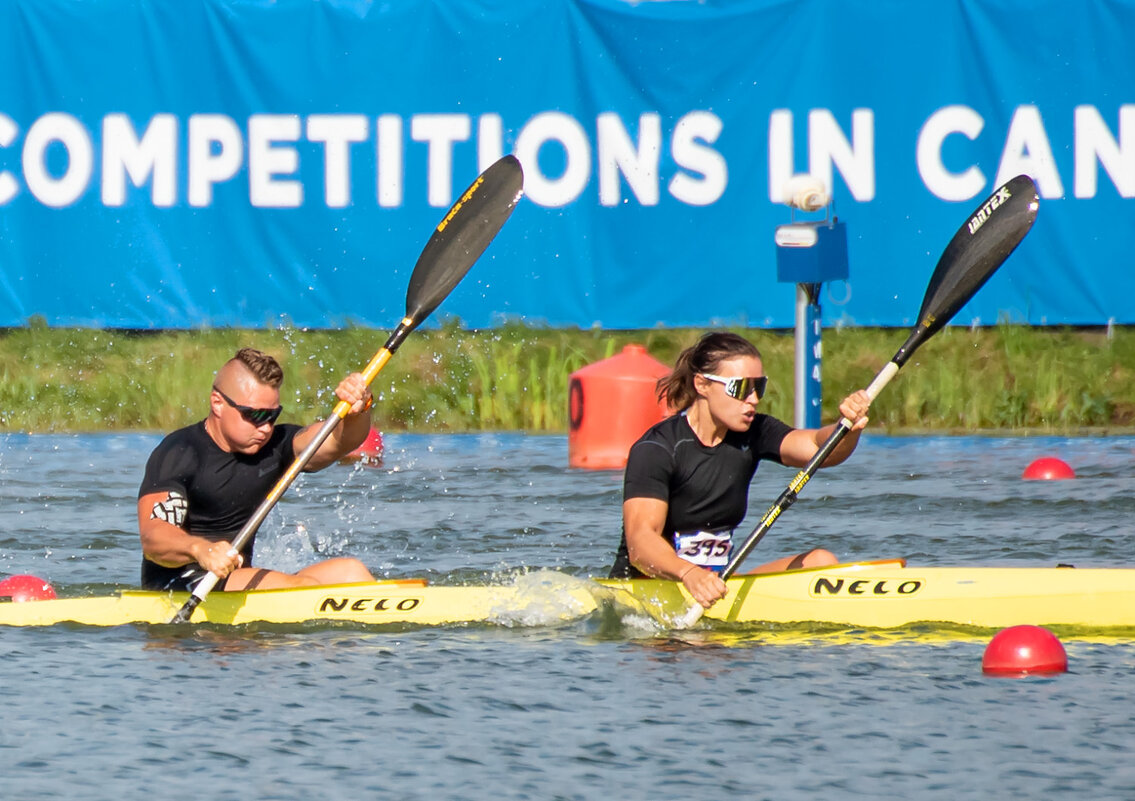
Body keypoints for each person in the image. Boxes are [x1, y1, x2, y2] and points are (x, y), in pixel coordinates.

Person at [608, 332, 872, 609]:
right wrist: (689, 573)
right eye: (741, 388)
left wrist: (847, 426)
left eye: (759, 386)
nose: (754, 399)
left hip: (715, 584)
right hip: (648, 590)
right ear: (702, 384)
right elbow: (640, 542)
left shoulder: (754, 432)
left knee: (822, 562)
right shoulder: (657, 449)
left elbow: (820, 448)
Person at [137, 347, 377, 592]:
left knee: (350, 572)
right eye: (255, 415)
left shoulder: (275, 445)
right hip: (183, 583)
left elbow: (338, 441)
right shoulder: (180, 452)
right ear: (218, 403)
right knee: (299, 589)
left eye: (272, 416)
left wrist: (359, 408)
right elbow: (153, 537)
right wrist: (202, 550)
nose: (265, 428)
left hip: (235, 580)